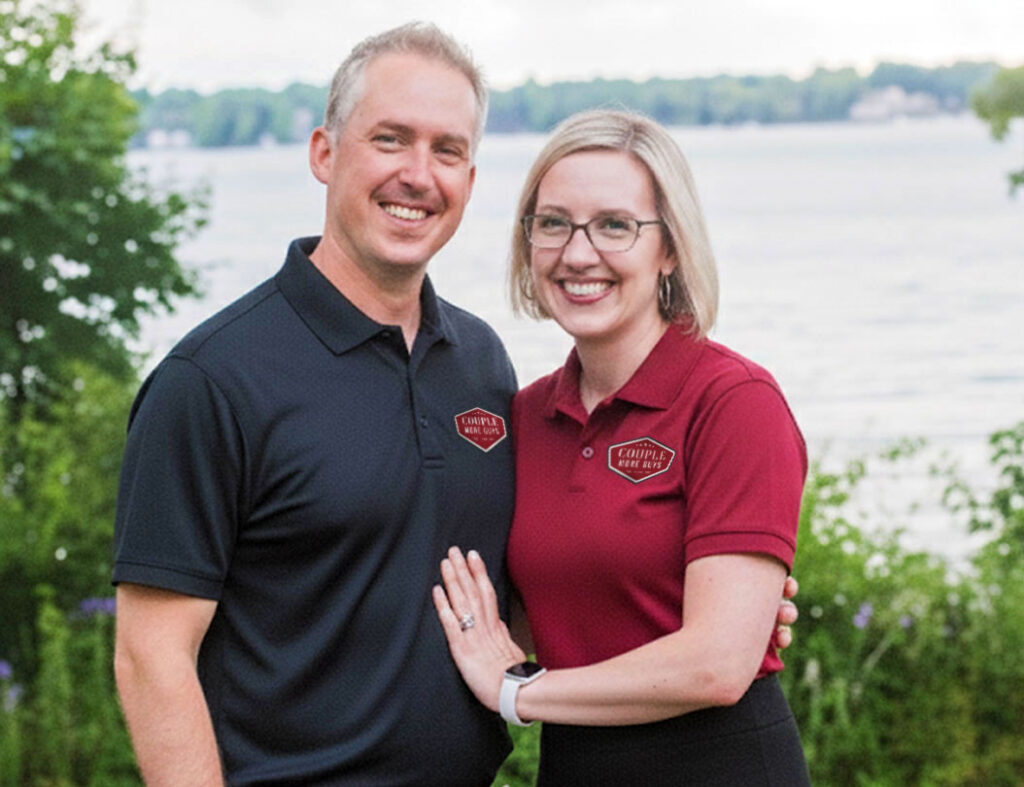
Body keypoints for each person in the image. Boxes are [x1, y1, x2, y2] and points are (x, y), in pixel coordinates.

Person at [113, 23, 799, 786]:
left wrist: (717, 611)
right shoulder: (211, 380)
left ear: (471, 181)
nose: (418, 173)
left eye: (446, 150)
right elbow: (150, 655)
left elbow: (528, 582)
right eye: (390, 139)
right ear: (324, 153)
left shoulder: (480, 371)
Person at [433, 109, 811, 785]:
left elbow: (717, 664)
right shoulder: (527, 415)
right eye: (553, 223)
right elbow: (523, 613)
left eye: (615, 225)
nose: (579, 253)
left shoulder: (734, 401)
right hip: (577, 766)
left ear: (669, 247)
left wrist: (518, 691)